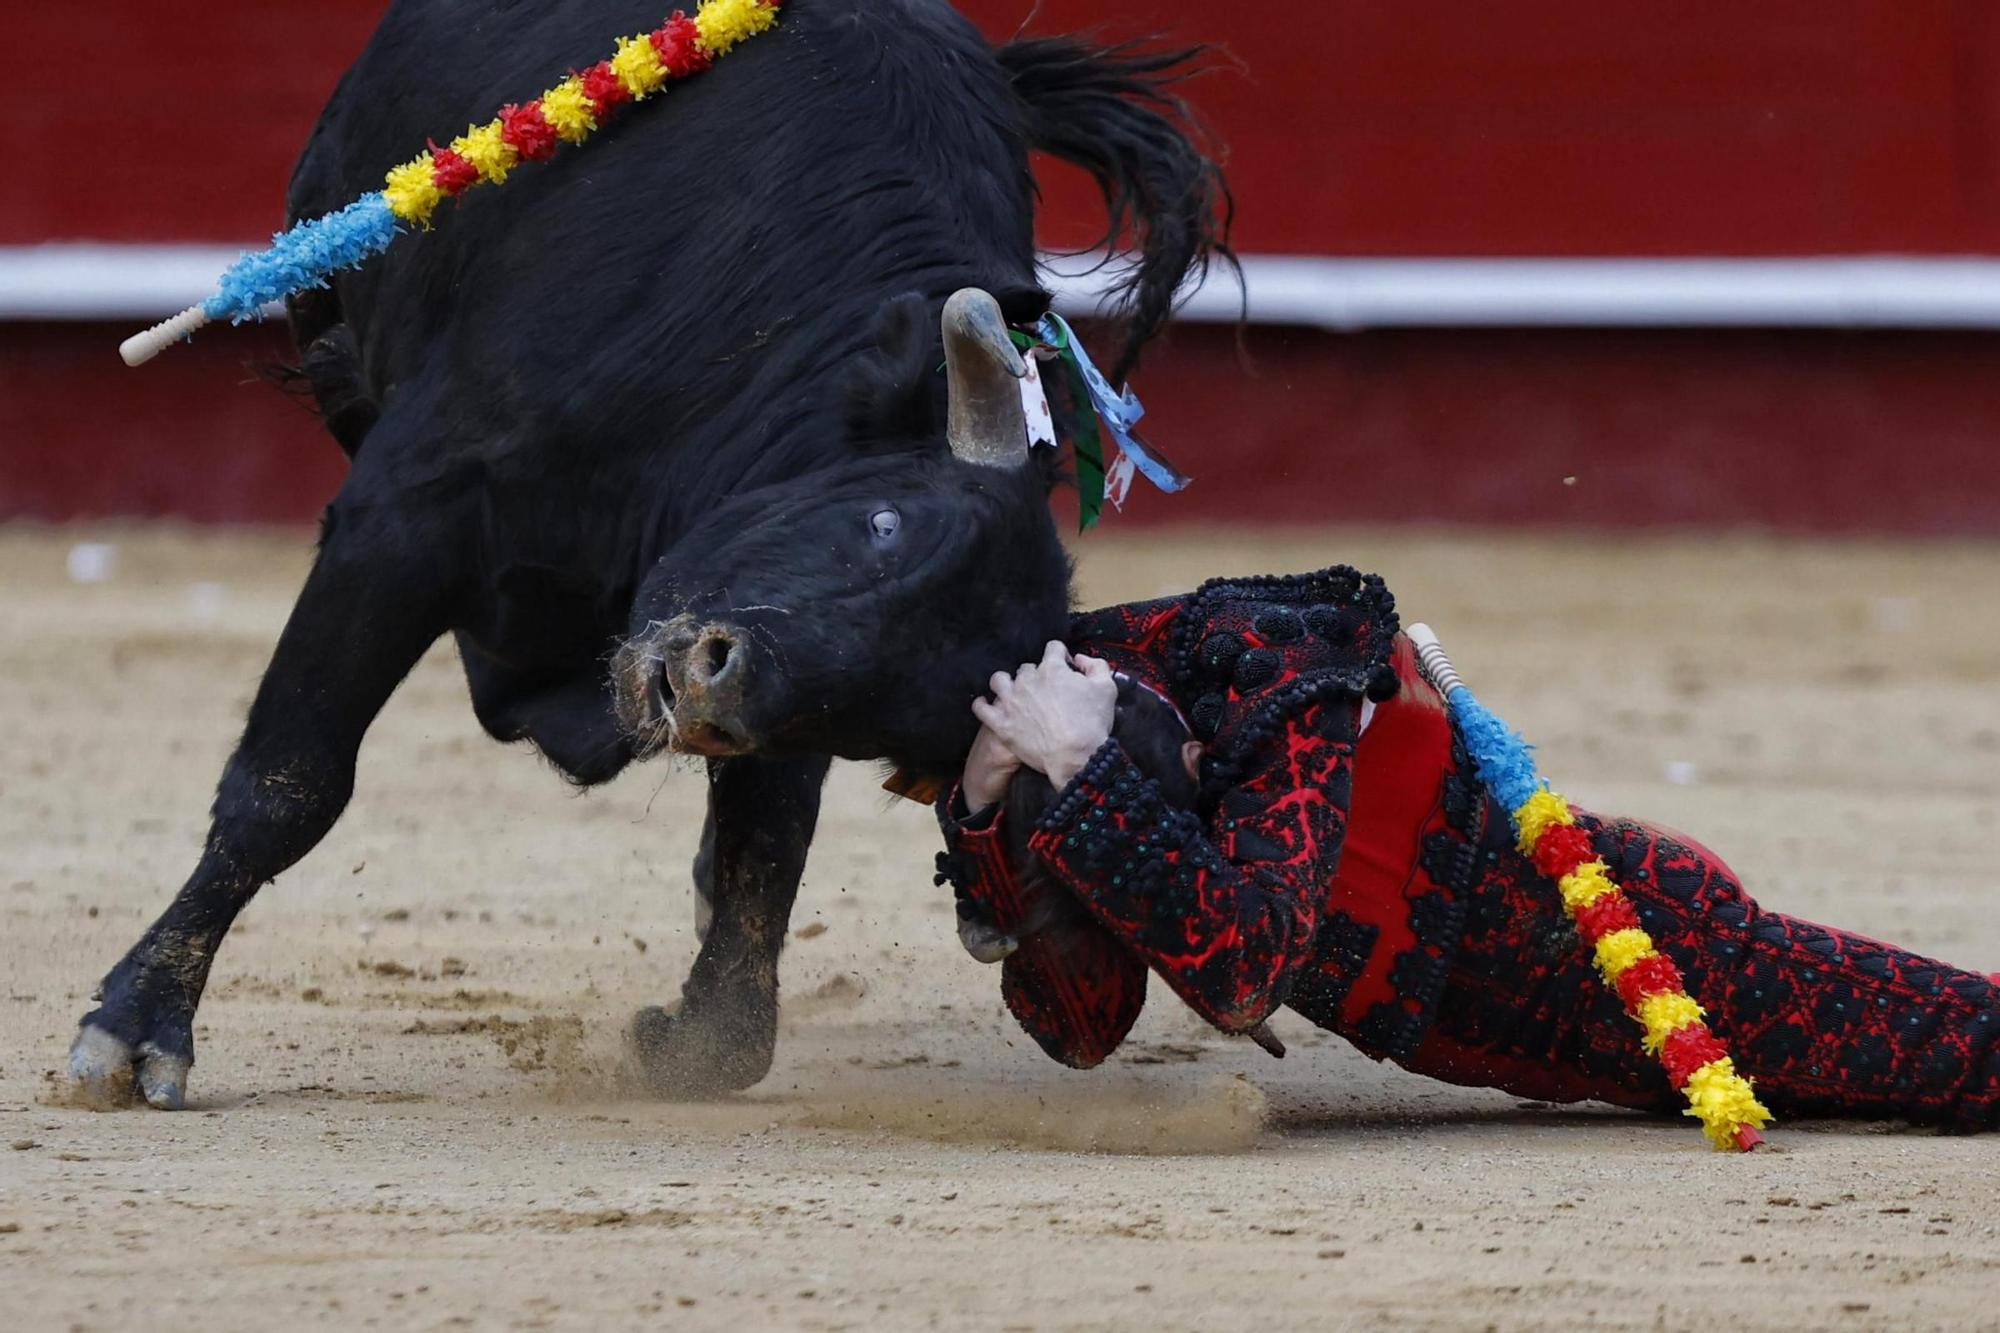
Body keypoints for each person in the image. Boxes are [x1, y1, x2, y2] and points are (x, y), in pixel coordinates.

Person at [933, 566, 2000, 1131]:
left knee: (1951, 1051)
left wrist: (1087, 772)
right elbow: (1081, 1027)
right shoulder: (1066, 761)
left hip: (1646, 946)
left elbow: (1244, 970)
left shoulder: (1269, 666)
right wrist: (978, 813)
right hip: (1528, 1045)